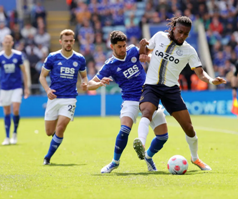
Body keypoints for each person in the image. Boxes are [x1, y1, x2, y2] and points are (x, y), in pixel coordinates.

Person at [135, 16, 226, 171]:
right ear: (173, 28)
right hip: (152, 86)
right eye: (180, 32)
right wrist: (142, 47)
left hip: (171, 90)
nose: (182, 36)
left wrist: (211, 81)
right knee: (147, 112)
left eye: (186, 34)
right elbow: (143, 55)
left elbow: (200, 72)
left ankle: (195, 159)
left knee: (189, 127)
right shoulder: (159, 37)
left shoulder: (189, 51)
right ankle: (141, 144)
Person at [87, 31, 168, 173]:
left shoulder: (132, 51)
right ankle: (115, 162)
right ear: (112, 46)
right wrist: (99, 83)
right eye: (119, 46)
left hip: (148, 96)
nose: (123, 49)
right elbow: (89, 84)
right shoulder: (109, 65)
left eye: (124, 45)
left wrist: (145, 51)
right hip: (130, 100)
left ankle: (148, 156)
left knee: (163, 137)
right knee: (124, 130)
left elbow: (144, 54)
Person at [39, 29, 88, 165]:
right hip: (54, 97)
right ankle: (56, 139)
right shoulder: (52, 57)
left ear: (73, 41)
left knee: (61, 127)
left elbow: (84, 76)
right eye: (66, 41)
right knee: (49, 132)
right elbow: (42, 76)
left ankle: (47, 158)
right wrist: (47, 90)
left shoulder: (79, 58)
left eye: (71, 41)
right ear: (61, 41)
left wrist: (85, 83)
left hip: (70, 98)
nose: (68, 43)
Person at [0, 35, 29, 145]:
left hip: (16, 86)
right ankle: (7, 137)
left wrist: (26, 88)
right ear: (3, 43)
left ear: (12, 43)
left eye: (9, 42)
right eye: (5, 42)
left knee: (15, 110)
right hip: (4, 87)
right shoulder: (0, 56)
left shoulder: (18, 55)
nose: (7, 43)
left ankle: (14, 133)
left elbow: (24, 72)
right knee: (7, 111)